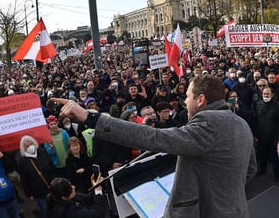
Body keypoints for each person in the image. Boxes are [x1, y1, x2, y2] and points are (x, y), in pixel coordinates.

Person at [52, 74, 257, 218]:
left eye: (188, 96)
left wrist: (90, 117)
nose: (185, 102)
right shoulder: (240, 123)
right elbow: (250, 169)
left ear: (201, 99)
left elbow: (153, 137)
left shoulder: (208, 125)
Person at [18, 135, 54, 218]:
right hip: (37, 191)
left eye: (31, 144)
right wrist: (29, 193)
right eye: (27, 146)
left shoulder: (42, 152)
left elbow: (52, 166)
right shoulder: (23, 161)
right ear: (24, 148)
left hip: (51, 185)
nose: (30, 146)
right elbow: (24, 179)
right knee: (44, 209)